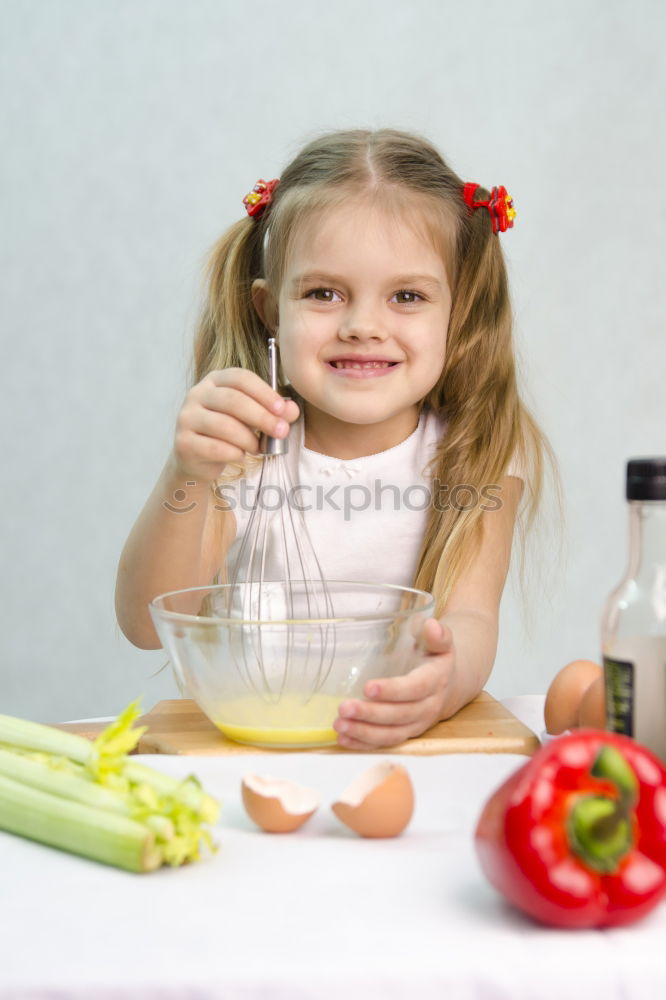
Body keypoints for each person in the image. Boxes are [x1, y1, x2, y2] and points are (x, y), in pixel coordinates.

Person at [115, 128, 550, 750]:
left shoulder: (472, 456)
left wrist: (443, 683)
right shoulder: (240, 457)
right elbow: (145, 622)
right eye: (324, 293)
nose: (363, 325)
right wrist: (186, 473)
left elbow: (473, 618)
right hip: (253, 750)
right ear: (271, 310)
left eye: (407, 296)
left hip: (397, 753)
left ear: (458, 314)